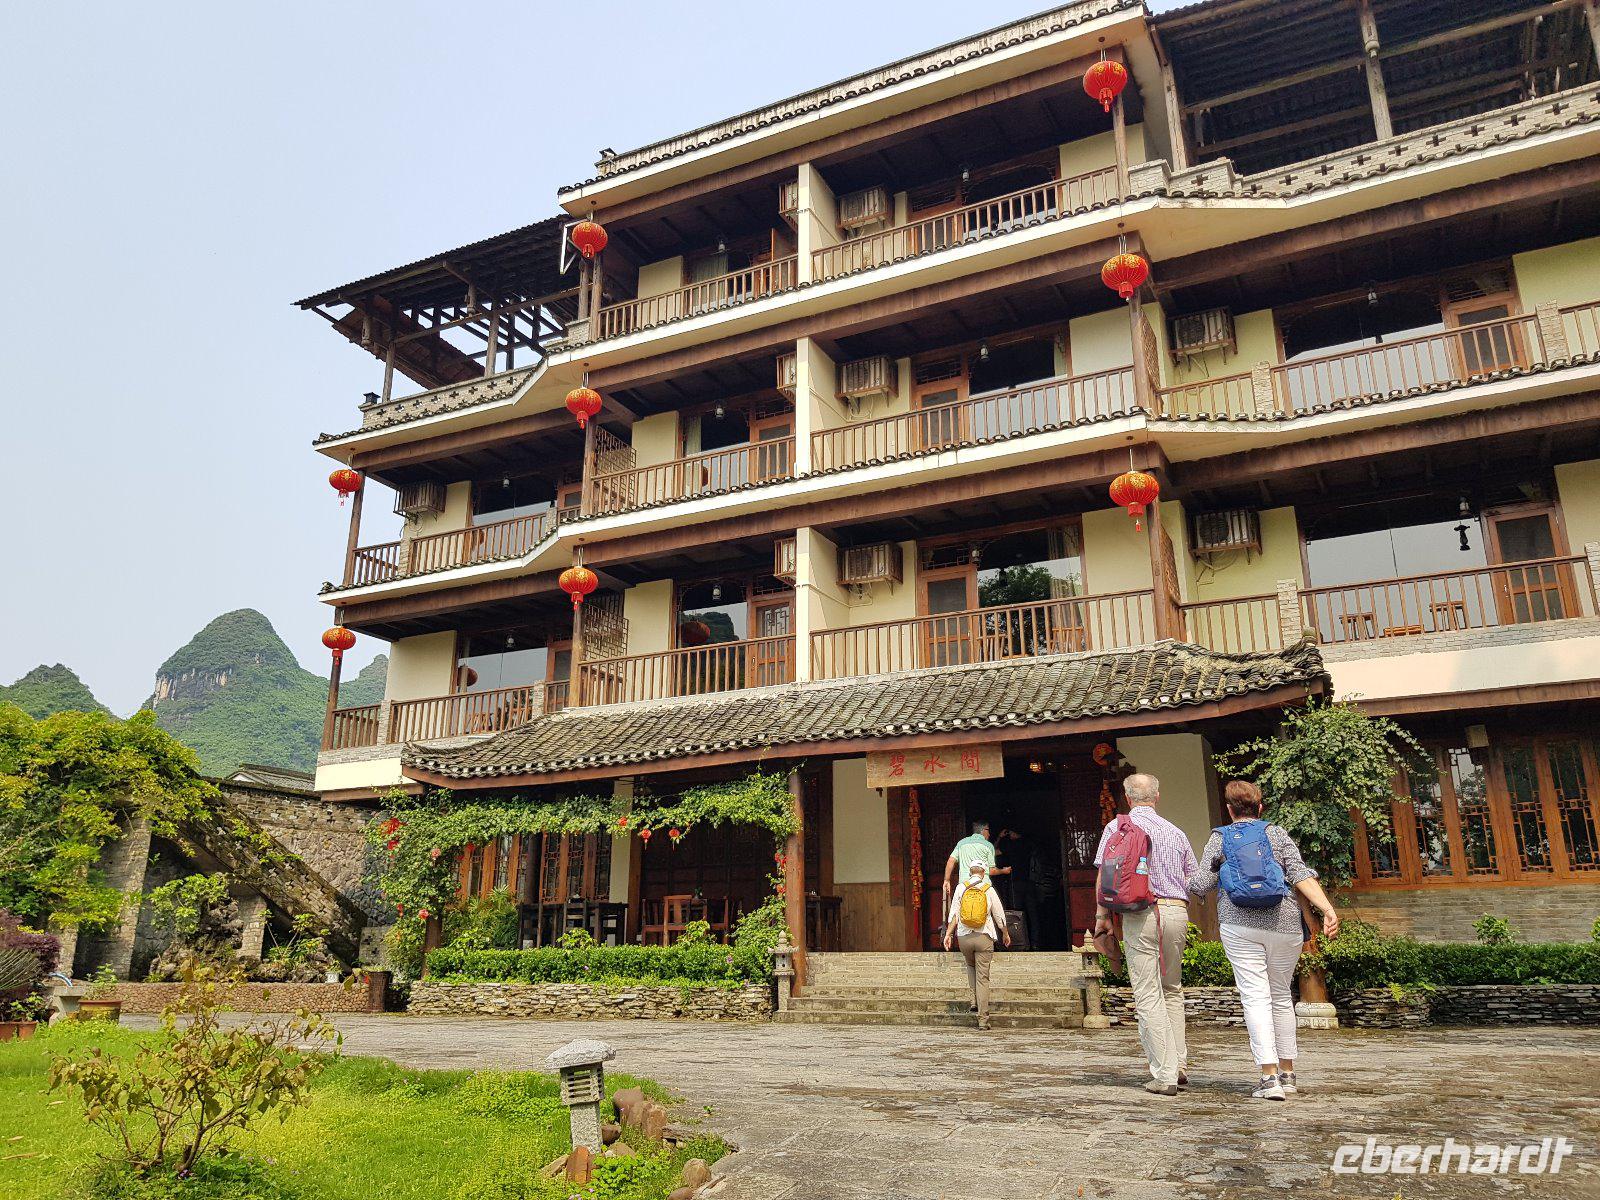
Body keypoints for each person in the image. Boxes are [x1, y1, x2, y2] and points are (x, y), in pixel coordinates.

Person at [1188, 780, 1341, 1101]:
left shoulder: (1220, 837)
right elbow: (1299, 873)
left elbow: (1202, 884)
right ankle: (1288, 1074)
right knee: (1281, 997)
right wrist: (1326, 908)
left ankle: (1268, 1078)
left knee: (1255, 998)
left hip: (1239, 924)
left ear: (1229, 810)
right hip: (1284, 923)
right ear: (1260, 808)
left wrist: (1191, 876)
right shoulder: (1276, 833)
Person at [1092, 772, 1197, 1096]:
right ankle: (1178, 1064)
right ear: (1157, 797)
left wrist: (1102, 916)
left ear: (1126, 798)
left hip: (1141, 914)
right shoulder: (1176, 832)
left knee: (1148, 992)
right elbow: (1192, 878)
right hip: (1176, 911)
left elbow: (1106, 872)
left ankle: (1164, 1074)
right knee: (1172, 989)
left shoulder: (1118, 827)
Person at [943, 859, 1010, 1029]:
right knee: (983, 978)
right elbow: (999, 915)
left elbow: (954, 915)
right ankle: (983, 1019)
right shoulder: (988, 889)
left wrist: (948, 934)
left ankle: (974, 1001)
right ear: (983, 872)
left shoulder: (960, 888)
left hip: (964, 938)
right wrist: (1005, 933)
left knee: (970, 966)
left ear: (970, 871)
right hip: (984, 936)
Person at [942, 820, 1012, 910]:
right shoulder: (988, 845)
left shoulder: (961, 843)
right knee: (987, 917)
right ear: (983, 830)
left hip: (964, 888)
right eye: (988, 830)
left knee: (964, 917)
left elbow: (951, 860)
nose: (989, 834)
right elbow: (991, 871)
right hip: (983, 888)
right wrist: (1003, 871)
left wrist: (946, 880)